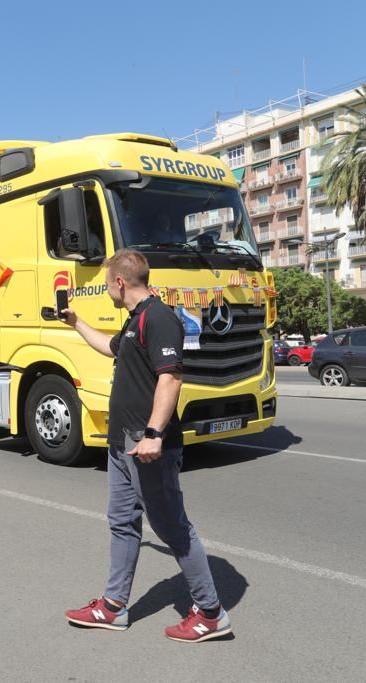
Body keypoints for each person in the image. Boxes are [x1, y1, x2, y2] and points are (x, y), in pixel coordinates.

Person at [60, 248, 231, 643]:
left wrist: (154, 433)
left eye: (106, 284)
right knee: (122, 524)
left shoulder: (159, 317)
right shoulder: (135, 320)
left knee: (172, 527)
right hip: (122, 444)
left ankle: (211, 613)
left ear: (120, 282)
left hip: (147, 443)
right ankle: (113, 606)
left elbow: (170, 378)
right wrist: (76, 323)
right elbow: (110, 348)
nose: (106, 291)